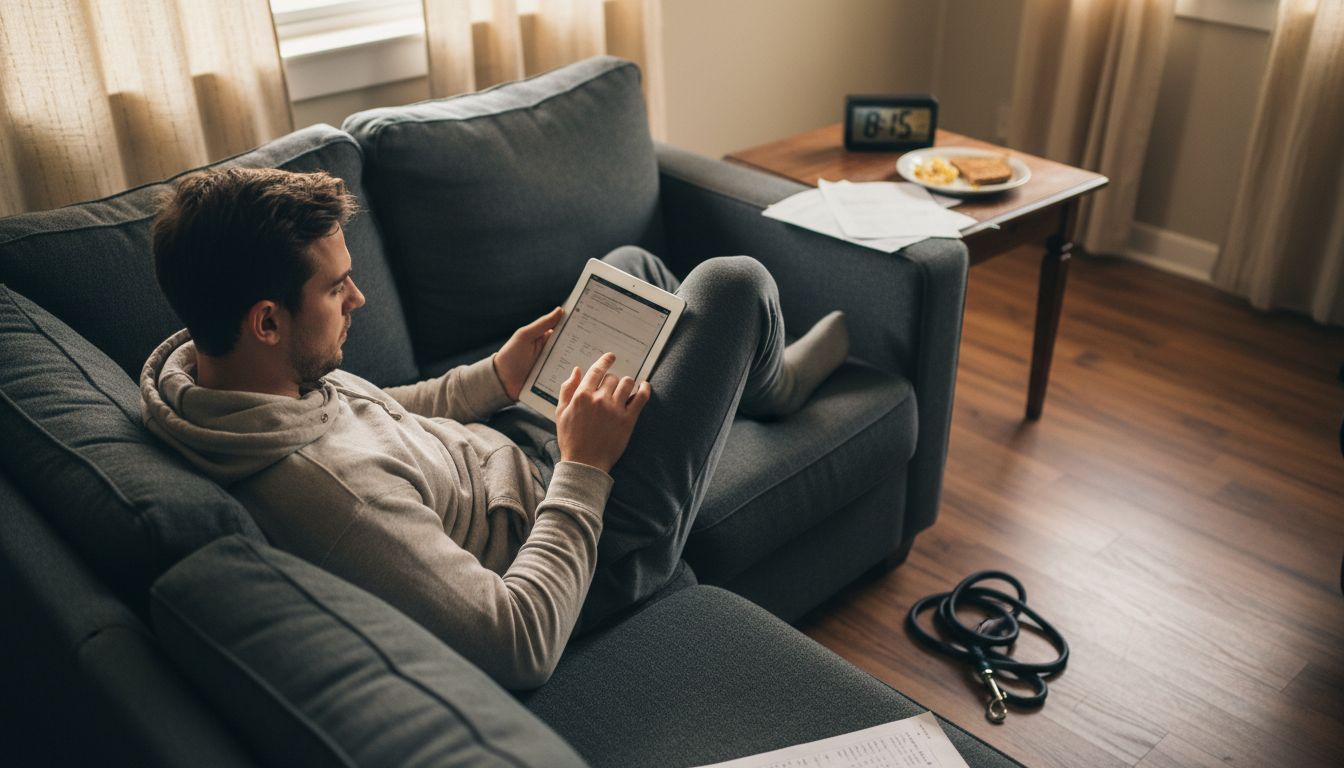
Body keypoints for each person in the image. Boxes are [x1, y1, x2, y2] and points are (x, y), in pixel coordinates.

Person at [141, 167, 848, 688]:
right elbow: (520, 643)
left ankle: (745, 374)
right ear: (267, 321)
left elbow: (380, 413)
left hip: (518, 450)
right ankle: (773, 384)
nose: (358, 298)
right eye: (334, 288)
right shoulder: (334, 500)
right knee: (734, 285)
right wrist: (586, 466)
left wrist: (497, 377)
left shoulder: (230, 385)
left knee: (629, 275)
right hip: (587, 544)